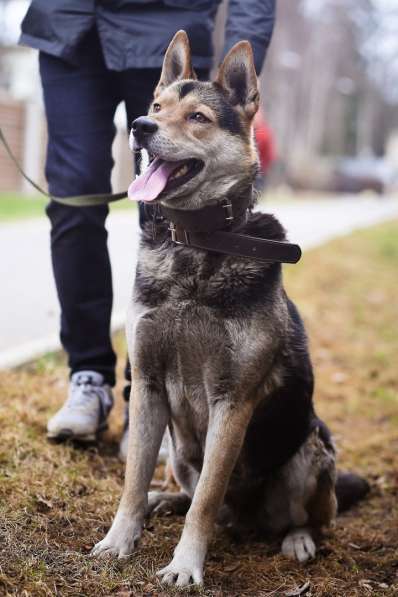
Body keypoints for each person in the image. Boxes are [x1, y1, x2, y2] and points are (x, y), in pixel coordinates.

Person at [19, 0, 276, 460]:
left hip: (162, 21)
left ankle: (151, 394)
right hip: (68, 26)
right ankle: (89, 379)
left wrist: (229, 89)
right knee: (74, 200)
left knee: (170, 202)